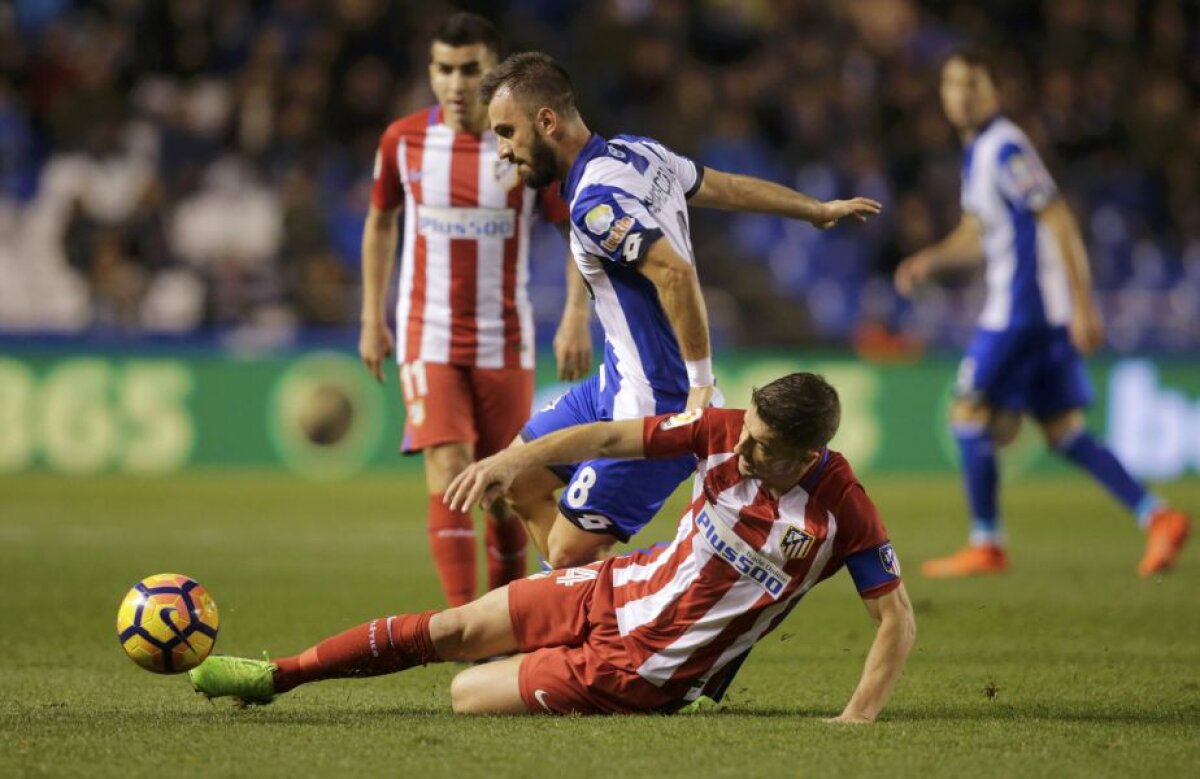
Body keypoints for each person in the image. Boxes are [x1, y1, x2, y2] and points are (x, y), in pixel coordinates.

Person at [188, 372, 916, 719]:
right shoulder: (723, 429)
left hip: (642, 669)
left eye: (761, 442)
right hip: (615, 585)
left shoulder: (841, 509)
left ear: (807, 451)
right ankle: (275, 676)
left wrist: (856, 717)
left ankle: (688, 694)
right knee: (454, 628)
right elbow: (606, 436)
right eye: (747, 428)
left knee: (464, 692)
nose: (742, 442)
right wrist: (516, 459)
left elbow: (895, 617)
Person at [478, 51, 883, 569]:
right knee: (519, 479)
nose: (503, 150)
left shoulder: (596, 204)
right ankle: (580, 609)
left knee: (566, 552)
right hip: (615, 383)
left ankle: (664, 586)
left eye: (507, 132)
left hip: (659, 401)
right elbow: (726, 188)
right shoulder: (638, 152)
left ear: (547, 122)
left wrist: (698, 383)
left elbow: (674, 271)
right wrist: (813, 209)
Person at [894, 48, 1191, 578]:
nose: (960, 94)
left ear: (993, 91)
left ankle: (986, 542)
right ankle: (1158, 516)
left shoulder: (1005, 146)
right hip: (1032, 309)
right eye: (952, 84)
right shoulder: (978, 152)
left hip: (1022, 308)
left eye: (972, 83)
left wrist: (1085, 306)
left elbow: (1057, 215)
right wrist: (932, 259)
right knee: (1062, 431)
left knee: (967, 414)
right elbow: (978, 234)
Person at [358, 15, 594, 607]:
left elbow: (575, 231)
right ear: (430, 72)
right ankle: (462, 625)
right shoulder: (403, 142)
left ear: (494, 72)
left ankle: (501, 620)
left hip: (505, 339)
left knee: (505, 489)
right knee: (448, 468)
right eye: (444, 69)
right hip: (426, 334)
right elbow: (381, 220)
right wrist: (371, 315)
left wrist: (575, 314)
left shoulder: (518, 144)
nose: (457, 83)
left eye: (471, 69)